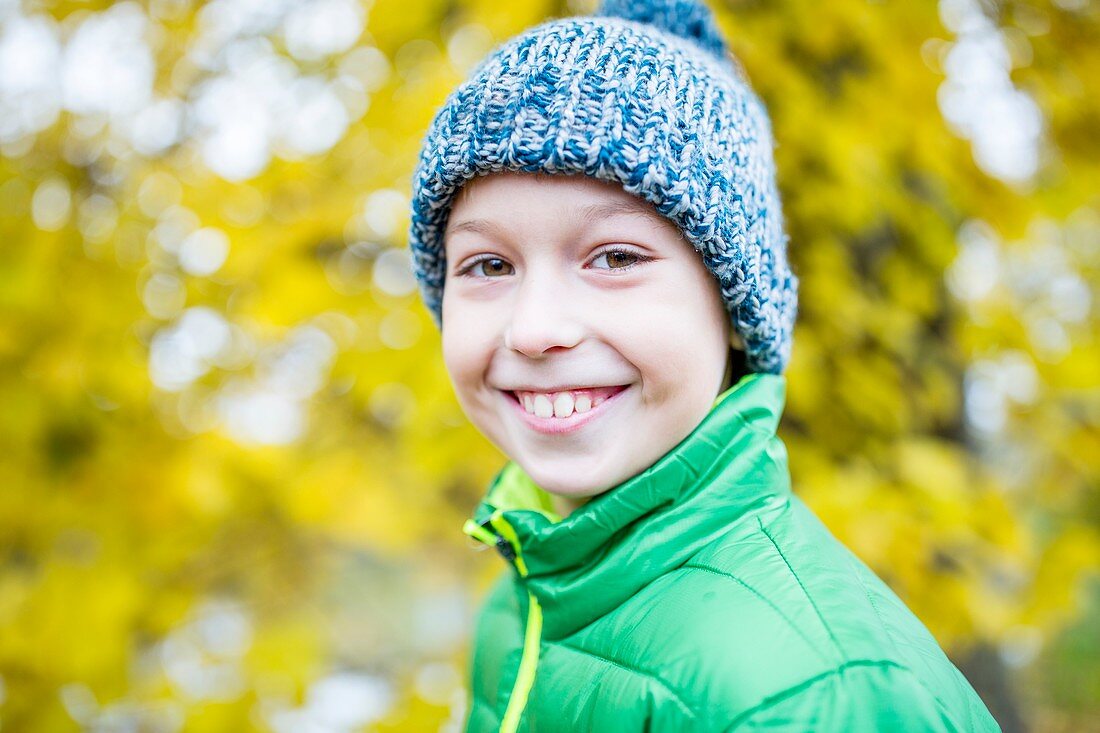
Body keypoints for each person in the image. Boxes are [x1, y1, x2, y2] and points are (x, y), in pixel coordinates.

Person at [406, 0, 1001, 730]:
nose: (534, 330)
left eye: (615, 257)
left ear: (734, 310)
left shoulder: (812, 693)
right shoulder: (531, 588)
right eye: (489, 263)